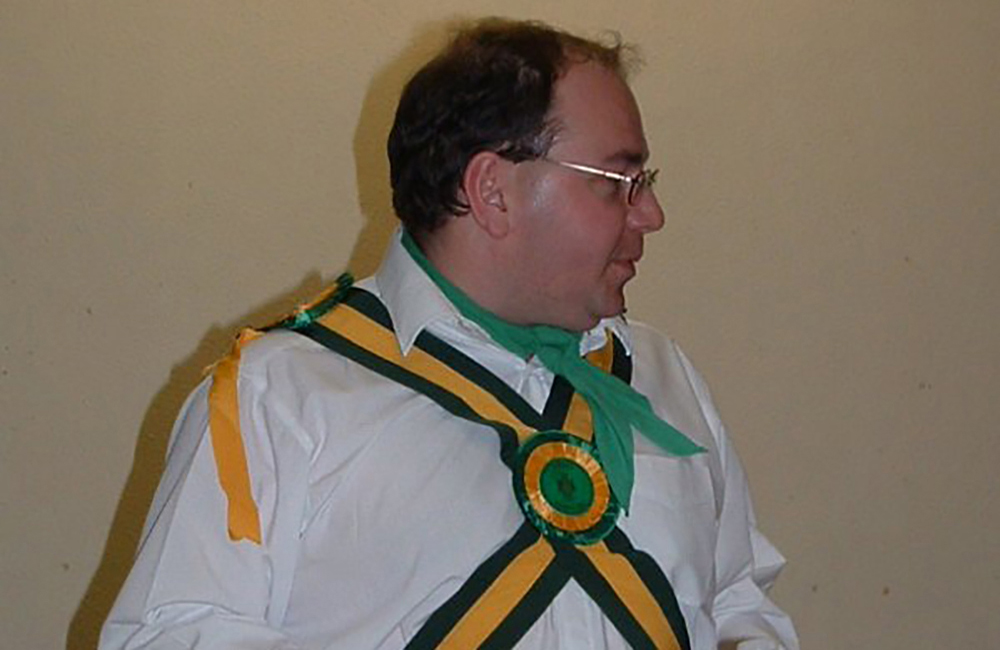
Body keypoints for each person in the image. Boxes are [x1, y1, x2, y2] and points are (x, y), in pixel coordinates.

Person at [100, 18, 798, 650]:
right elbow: (169, 637)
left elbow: (736, 601)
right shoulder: (278, 396)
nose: (650, 215)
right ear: (492, 191)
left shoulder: (663, 375)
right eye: (617, 181)